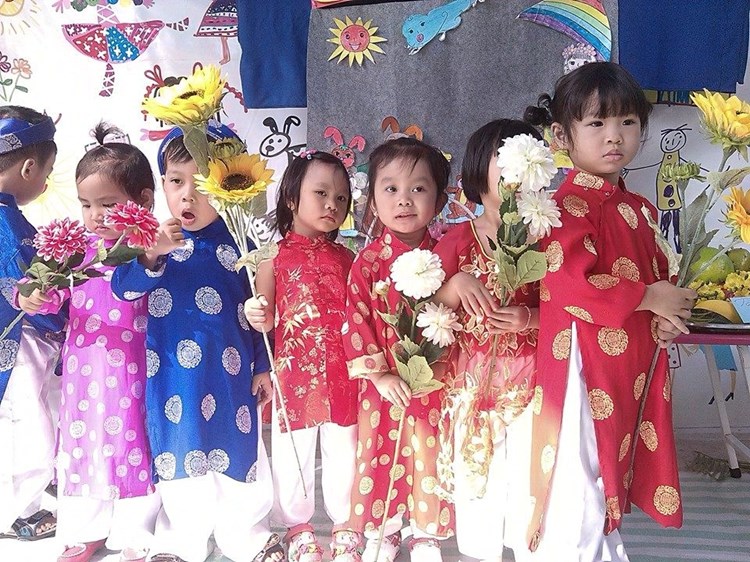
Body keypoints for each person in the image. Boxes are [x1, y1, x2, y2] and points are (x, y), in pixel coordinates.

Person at [523, 61, 697, 561]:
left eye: (627, 122)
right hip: (584, 364)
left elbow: (662, 277)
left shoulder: (640, 208)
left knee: (608, 466)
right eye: (596, 123)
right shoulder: (563, 207)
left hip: (629, 364)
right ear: (563, 135)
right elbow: (570, 285)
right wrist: (650, 298)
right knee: (579, 468)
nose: (614, 136)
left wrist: (668, 314)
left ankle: (600, 545)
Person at [111, 124, 282, 562]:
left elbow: (257, 310)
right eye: (175, 181)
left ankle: (247, 539)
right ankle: (179, 542)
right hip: (173, 379)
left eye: (201, 183)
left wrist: (263, 365)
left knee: (239, 454)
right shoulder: (151, 241)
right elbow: (123, 288)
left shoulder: (242, 244)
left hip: (231, 375)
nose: (187, 195)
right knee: (180, 453)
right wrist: (152, 253)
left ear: (225, 187)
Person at [18, 122, 161, 562]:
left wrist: (150, 257)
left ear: (143, 201)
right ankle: (83, 529)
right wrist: (34, 295)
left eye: (108, 204)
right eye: (86, 204)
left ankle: (137, 532)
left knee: (135, 443)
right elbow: (50, 294)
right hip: (84, 367)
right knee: (84, 443)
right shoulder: (76, 249)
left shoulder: (151, 247)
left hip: (137, 366)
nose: (96, 215)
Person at [432, 119, 542, 562]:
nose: (513, 169)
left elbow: (571, 309)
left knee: (528, 485)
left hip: (533, 390)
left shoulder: (548, 238)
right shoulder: (458, 239)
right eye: (501, 156)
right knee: (477, 486)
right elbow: (422, 308)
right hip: (469, 391)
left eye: (524, 158)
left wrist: (529, 317)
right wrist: (454, 284)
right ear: (479, 169)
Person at [244, 150, 360, 562]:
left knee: (345, 449)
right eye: (321, 193)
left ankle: (346, 524)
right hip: (293, 373)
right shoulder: (271, 258)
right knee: (292, 454)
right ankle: (298, 527)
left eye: (341, 198)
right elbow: (264, 318)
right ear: (292, 198)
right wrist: (256, 312)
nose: (332, 205)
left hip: (344, 371)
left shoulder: (349, 259)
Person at [342, 138, 453, 562]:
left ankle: (425, 533)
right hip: (383, 385)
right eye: (390, 189)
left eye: (418, 188)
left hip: (435, 380)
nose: (404, 199)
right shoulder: (368, 262)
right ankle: (384, 530)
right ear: (372, 200)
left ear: (439, 200)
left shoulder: (447, 257)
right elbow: (355, 318)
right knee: (379, 451)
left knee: (430, 449)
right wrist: (379, 375)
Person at [0, 105, 65, 543]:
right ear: (28, 168)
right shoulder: (7, 222)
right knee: (28, 433)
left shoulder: (11, 217)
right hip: (15, 345)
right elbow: (23, 284)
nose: (45, 182)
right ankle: (16, 512)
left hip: (22, 343)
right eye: (47, 172)